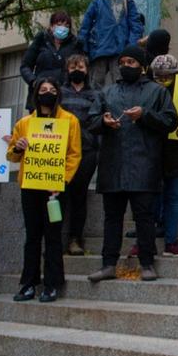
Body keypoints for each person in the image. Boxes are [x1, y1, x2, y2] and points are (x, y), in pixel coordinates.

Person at [86, 46, 177, 283]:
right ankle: (108, 264)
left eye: (131, 62)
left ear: (142, 66)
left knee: (144, 218)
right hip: (112, 164)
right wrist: (104, 122)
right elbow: (91, 121)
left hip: (144, 164)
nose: (126, 66)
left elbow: (170, 121)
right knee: (112, 218)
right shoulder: (107, 91)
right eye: (123, 62)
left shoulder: (157, 92)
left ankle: (147, 263)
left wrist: (145, 115)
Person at [7, 77, 82, 303]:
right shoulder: (24, 123)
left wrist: (62, 180)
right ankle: (28, 283)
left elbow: (74, 154)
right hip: (30, 187)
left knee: (53, 236)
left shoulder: (70, 121)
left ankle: (52, 284)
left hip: (55, 189)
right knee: (32, 236)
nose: (47, 93)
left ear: (58, 93)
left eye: (51, 89)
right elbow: (11, 155)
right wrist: (18, 148)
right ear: (35, 93)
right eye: (43, 89)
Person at [58, 54, 104, 255]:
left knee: (79, 196)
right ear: (67, 70)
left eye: (81, 66)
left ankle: (75, 239)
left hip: (86, 150)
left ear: (87, 70)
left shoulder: (96, 94)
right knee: (57, 196)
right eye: (73, 66)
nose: (77, 70)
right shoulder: (59, 92)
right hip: (60, 152)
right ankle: (55, 238)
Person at [148, 54, 178, 257]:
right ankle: (146, 239)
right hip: (152, 154)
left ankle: (171, 241)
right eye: (159, 76)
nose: (163, 80)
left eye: (168, 76)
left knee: (174, 199)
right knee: (151, 199)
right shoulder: (147, 92)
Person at [78, 0, 145, 88]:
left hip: (119, 51)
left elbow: (136, 26)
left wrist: (131, 46)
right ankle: (97, 107)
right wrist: (84, 47)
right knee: (95, 85)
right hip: (99, 50)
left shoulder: (127, 2)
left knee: (120, 84)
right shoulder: (97, 2)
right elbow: (85, 25)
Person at [20, 10, 82, 109]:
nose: (63, 28)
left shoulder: (75, 44)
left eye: (66, 26)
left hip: (64, 97)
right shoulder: (41, 39)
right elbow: (25, 66)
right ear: (52, 26)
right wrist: (34, 82)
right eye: (59, 24)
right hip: (39, 95)